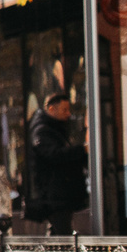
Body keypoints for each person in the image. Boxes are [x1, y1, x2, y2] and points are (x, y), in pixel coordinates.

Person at [25, 91, 88, 234]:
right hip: (54, 196)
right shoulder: (42, 131)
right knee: (62, 233)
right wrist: (82, 150)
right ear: (51, 109)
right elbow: (54, 155)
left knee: (58, 233)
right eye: (64, 110)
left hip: (60, 194)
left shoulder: (55, 129)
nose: (68, 114)